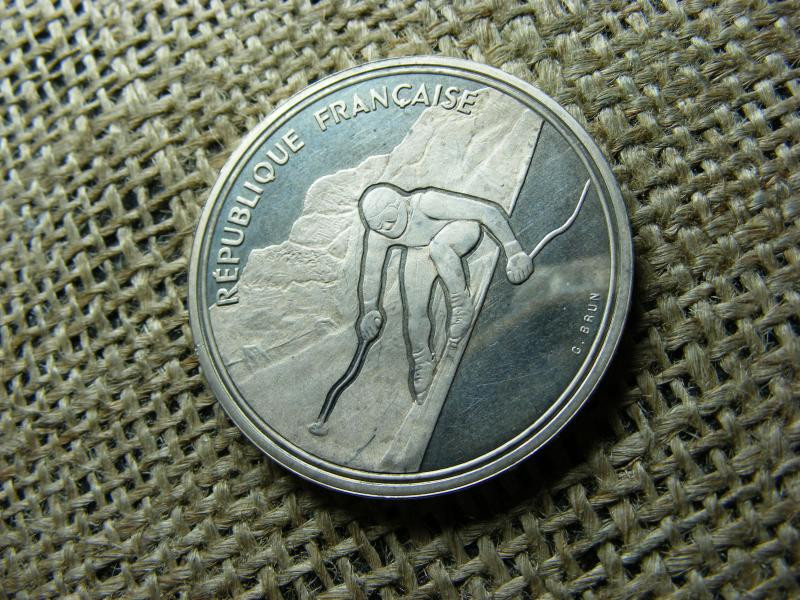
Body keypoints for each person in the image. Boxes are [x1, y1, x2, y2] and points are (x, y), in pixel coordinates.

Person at [355, 183, 534, 401]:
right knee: (414, 305)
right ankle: (421, 360)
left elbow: (486, 212)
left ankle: (461, 304)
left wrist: (514, 250)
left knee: (438, 247)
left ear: (402, 204)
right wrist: (370, 309)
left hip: (460, 230)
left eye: (390, 218)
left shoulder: (427, 203)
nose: (387, 228)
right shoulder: (378, 236)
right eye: (379, 226)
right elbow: (371, 274)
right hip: (422, 249)